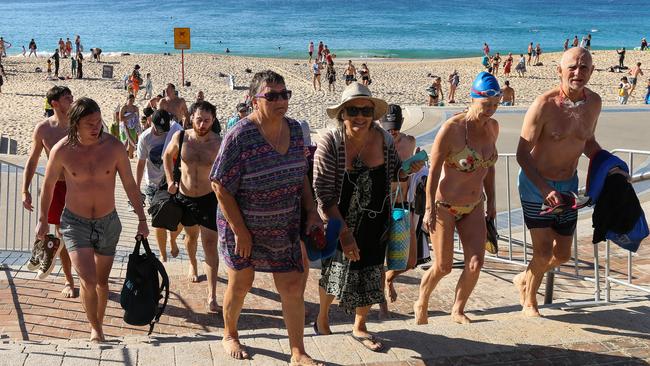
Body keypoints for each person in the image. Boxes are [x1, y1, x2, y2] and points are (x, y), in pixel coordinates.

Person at [211, 70, 323, 365]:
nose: (280, 100)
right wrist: (241, 231)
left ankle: (298, 351)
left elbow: (302, 176)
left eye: (284, 94)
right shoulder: (240, 136)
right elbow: (219, 185)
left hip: (284, 225)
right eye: (271, 95)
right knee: (241, 282)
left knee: (292, 286)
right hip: (242, 226)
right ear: (253, 100)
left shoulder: (296, 130)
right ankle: (230, 333)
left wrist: (312, 212)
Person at [314, 83, 424, 352]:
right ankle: (322, 317)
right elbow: (323, 193)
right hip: (339, 218)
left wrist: (408, 170)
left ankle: (360, 324)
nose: (360, 116)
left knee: (372, 271)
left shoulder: (384, 139)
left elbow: (394, 175)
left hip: (377, 219)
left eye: (366, 110)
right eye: (353, 110)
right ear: (342, 113)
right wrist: (344, 233)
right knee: (334, 270)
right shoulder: (331, 141)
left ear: (373, 113)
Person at [36, 97, 149, 342]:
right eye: (90, 123)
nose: (96, 127)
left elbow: (130, 185)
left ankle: (97, 323)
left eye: (98, 121)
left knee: (102, 282)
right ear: (75, 124)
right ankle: (96, 328)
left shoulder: (114, 147)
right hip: (75, 223)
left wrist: (142, 219)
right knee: (88, 279)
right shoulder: (62, 150)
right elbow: (48, 187)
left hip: (108, 222)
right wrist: (43, 220)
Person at [514, 47, 607, 317]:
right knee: (542, 251)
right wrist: (544, 188)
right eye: (572, 67)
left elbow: (587, 141)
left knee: (563, 254)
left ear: (591, 71)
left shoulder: (595, 103)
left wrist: (608, 164)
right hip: (536, 187)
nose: (578, 73)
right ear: (559, 71)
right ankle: (529, 302)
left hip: (568, 186)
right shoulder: (543, 105)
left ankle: (525, 277)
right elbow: (521, 153)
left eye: (585, 67)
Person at [415, 72, 499, 325]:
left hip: (474, 206)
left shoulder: (493, 127)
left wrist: (492, 202)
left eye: (495, 105)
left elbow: (489, 167)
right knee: (443, 266)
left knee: (475, 263)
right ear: (473, 99)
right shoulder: (452, 129)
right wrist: (429, 208)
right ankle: (422, 300)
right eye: (486, 105)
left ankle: (458, 309)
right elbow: (434, 171)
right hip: (444, 207)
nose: (490, 111)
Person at [164, 101, 222, 308]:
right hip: (185, 196)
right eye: (199, 119)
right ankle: (192, 264)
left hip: (209, 198)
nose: (203, 124)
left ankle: (212, 295)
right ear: (191, 118)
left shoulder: (218, 143)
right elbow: (166, 156)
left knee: (209, 244)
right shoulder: (181, 137)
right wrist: (170, 180)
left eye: (207, 120)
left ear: (213, 120)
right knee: (191, 236)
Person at [22, 86, 76, 298]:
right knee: (62, 234)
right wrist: (24, 190)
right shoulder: (44, 129)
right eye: (66, 97)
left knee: (81, 233)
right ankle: (69, 280)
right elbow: (32, 160)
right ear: (55, 103)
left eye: (71, 96)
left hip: (78, 186)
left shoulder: (79, 123)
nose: (71, 99)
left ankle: (86, 272)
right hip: (56, 186)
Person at [379, 104, 418, 317]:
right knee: (378, 260)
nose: (391, 133)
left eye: (394, 129)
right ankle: (382, 304)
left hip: (403, 206)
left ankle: (389, 278)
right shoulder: (376, 142)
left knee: (410, 260)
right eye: (388, 129)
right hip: (382, 205)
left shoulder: (409, 142)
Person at [136, 109, 182, 262]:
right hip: (153, 184)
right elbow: (141, 164)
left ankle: (173, 239)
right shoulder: (145, 138)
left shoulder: (173, 132)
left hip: (174, 182)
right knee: (158, 221)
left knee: (180, 219)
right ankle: (162, 253)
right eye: (160, 129)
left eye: (165, 129)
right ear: (151, 122)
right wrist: (136, 187)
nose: (162, 132)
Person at [119, 94, 140, 159]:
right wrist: (129, 116)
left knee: (132, 144)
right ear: (127, 99)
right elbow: (120, 119)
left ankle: (131, 158)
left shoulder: (135, 108)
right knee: (124, 143)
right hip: (124, 127)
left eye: (133, 100)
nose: (132, 102)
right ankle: (122, 158)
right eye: (130, 100)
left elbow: (137, 119)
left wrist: (138, 129)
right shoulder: (124, 108)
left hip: (133, 127)